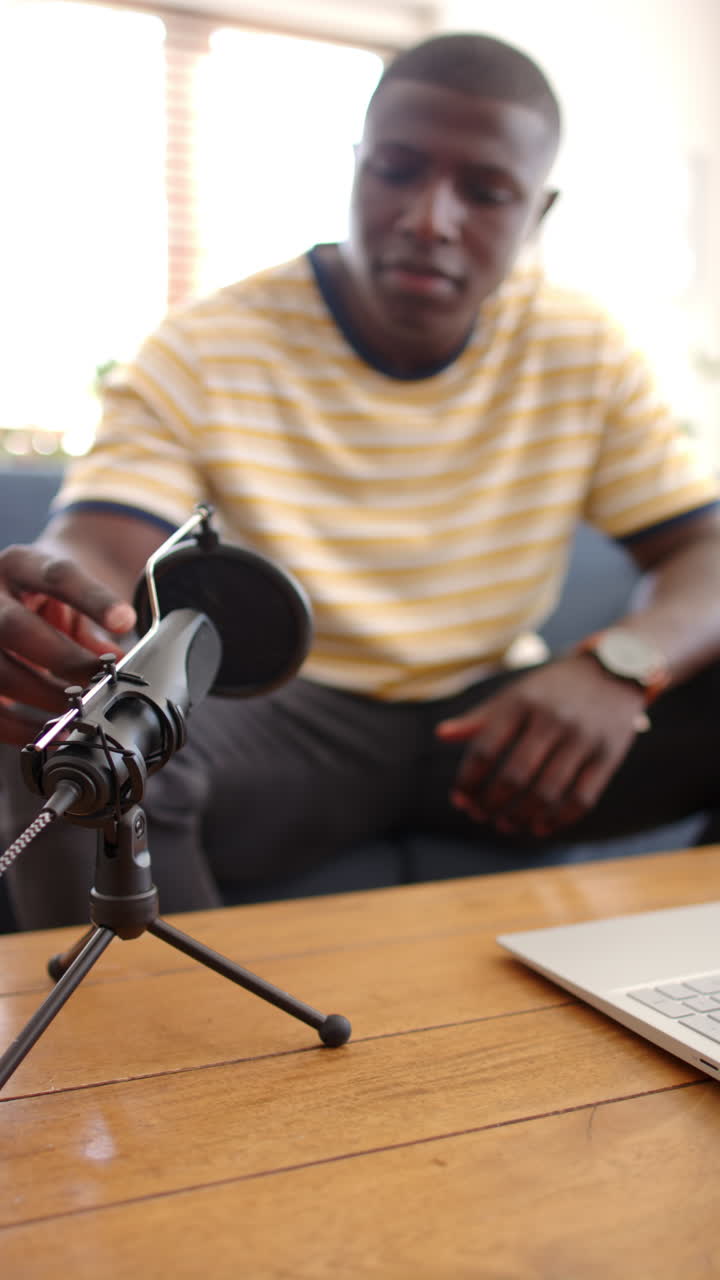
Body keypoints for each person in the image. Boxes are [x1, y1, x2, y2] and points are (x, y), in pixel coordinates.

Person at [1, 32, 720, 930]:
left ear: (539, 209)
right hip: (282, 724)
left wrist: (621, 666)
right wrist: (59, 606)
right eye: (397, 171)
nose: (430, 217)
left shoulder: (583, 351)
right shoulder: (208, 347)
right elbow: (101, 548)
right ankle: (152, 1068)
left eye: (486, 191)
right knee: (84, 743)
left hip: (495, 732)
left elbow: (704, 551)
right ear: (354, 169)